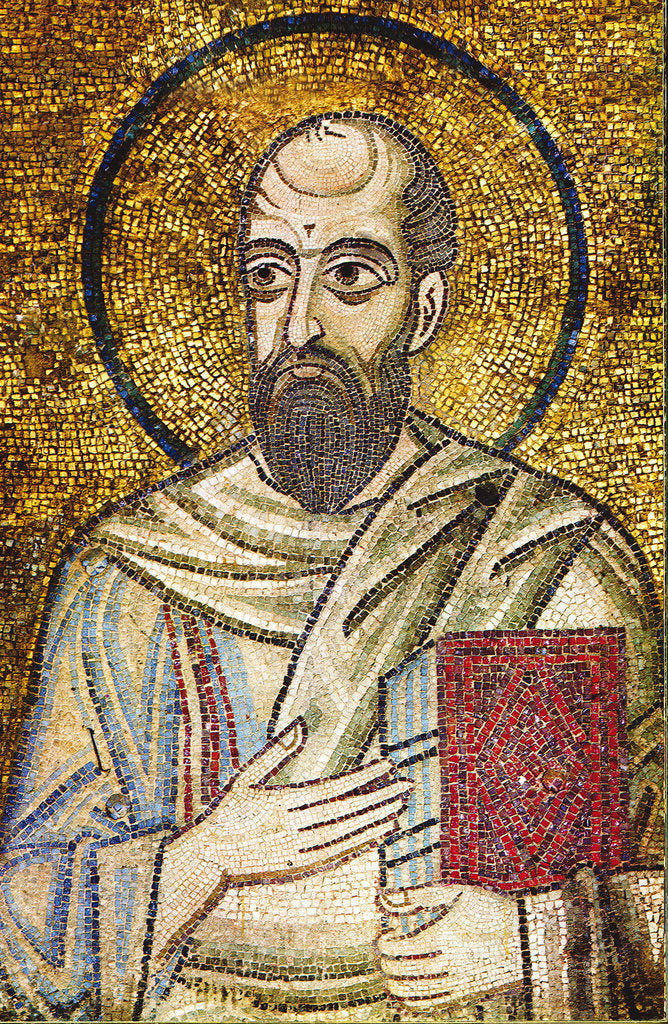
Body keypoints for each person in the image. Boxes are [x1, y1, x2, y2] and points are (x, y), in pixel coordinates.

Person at [0, 112, 662, 1021]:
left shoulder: (552, 558)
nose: (299, 324)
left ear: (423, 309)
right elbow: (16, 934)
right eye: (268, 276)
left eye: (350, 276)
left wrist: (530, 938)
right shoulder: (128, 578)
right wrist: (203, 858)